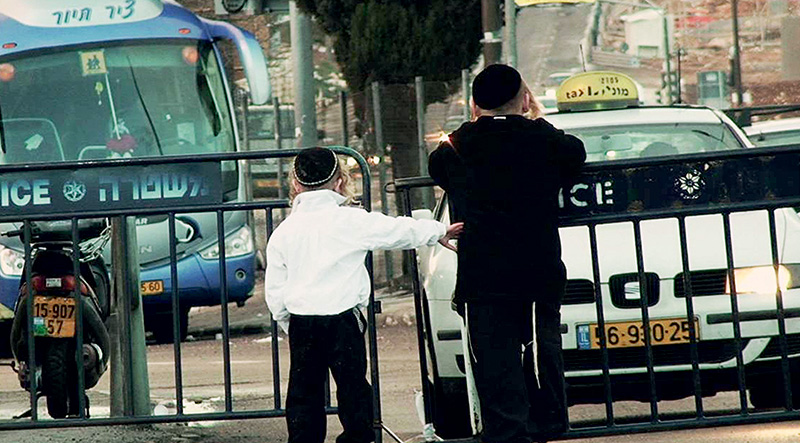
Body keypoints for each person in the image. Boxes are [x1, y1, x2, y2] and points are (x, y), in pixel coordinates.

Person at [428, 64, 586, 443]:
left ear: (474, 105)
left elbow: (439, 166)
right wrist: (536, 122)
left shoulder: (455, 148)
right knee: (539, 351)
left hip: (481, 272)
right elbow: (574, 153)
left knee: (493, 358)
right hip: (537, 268)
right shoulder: (544, 141)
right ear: (526, 100)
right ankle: (545, 424)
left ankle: (504, 430)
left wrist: (475, 126)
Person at [265, 147, 463, 443]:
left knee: (303, 393)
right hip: (344, 318)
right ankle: (358, 437)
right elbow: (396, 230)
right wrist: (437, 231)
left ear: (295, 184)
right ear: (339, 182)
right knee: (353, 387)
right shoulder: (350, 221)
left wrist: (287, 322)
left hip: (303, 321)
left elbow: (275, 289)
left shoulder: (284, 232)